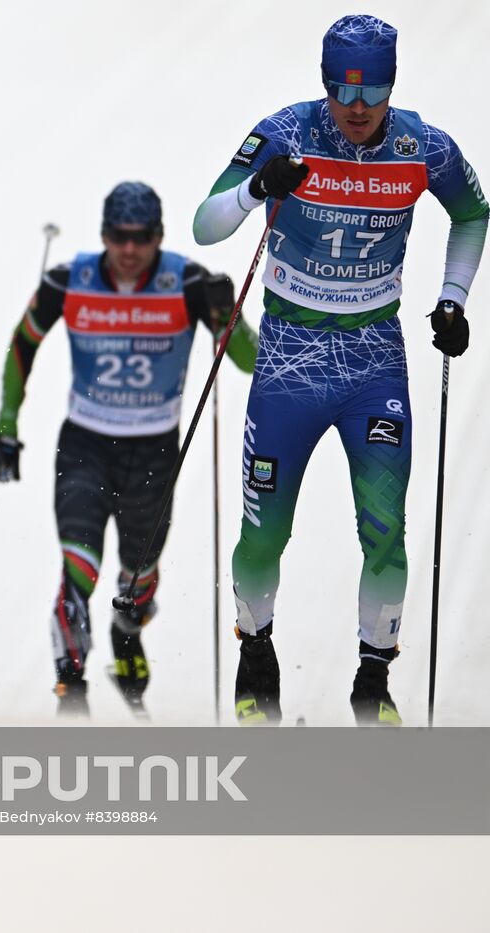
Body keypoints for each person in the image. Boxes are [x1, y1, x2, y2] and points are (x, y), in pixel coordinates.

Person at [193, 15, 487, 725]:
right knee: (265, 532)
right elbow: (206, 224)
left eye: (374, 87)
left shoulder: (424, 147)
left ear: (394, 82)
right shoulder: (286, 133)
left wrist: (451, 300)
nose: (357, 106)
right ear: (324, 80)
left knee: (385, 528)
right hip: (289, 360)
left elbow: (474, 214)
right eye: (342, 87)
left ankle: (372, 678)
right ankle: (255, 648)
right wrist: (256, 189)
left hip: (373, 362)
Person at [0, 182, 256, 716]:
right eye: (119, 237)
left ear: (159, 237)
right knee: (79, 568)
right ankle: (72, 685)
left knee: (138, 574)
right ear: (103, 235)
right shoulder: (70, 281)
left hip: (154, 450)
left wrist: (230, 315)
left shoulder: (187, 283)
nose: (130, 250)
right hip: (85, 444)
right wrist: (6, 426)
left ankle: (127, 630)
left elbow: (248, 360)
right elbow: (23, 345)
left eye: (142, 238)